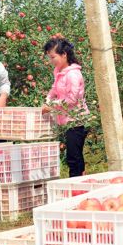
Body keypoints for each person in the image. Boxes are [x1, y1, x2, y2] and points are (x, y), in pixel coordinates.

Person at [42, 38, 90, 177]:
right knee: (73, 156)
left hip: (77, 120)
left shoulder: (73, 74)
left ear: (64, 54)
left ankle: (76, 184)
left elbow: (72, 99)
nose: (51, 60)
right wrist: (48, 99)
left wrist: (51, 105)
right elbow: (54, 89)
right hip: (67, 120)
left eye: (53, 57)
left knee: (73, 157)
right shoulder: (58, 71)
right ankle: (79, 182)